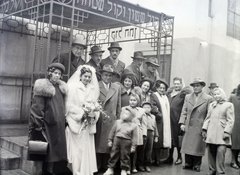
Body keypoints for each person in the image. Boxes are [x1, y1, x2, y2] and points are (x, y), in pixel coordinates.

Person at [28, 63, 68, 175]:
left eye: (59, 74)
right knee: (41, 153)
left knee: (53, 155)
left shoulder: (60, 88)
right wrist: (38, 125)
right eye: (55, 73)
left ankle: (49, 172)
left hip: (57, 127)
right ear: (50, 73)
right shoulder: (43, 87)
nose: (57, 76)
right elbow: (37, 108)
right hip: (45, 126)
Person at [65, 65, 100, 175]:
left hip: (88, 124)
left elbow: (95, 103)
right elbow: (68, 105)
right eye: (85, 76)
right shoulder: (73, 87)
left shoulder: (93, 88)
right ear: (80, 76)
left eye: (89, 77)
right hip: (76, 122)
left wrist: (94, 113)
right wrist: (81, 113)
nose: (87, 79)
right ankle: (76, 171)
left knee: (86, 148)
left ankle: (86, 171)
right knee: (77, 149)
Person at [179, 77, 212, 172]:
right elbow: (184, 111)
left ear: (202, 86)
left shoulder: (208, 98)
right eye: (194, 86)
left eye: (198, 85)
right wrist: (182, 122)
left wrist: (205, 127)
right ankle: (188, 163)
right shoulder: (188, 97)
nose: (195, 88)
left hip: (200, 125)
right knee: (188, 144)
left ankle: (197, 164)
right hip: (189, 124)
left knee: (198, 145)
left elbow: (209, 114)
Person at [202, 88, 235, 175]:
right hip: (211, 132)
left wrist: (227, 132)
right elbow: (207, 118)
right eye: (214, 94)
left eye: (218, 94)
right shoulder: (212, 105)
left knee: (221, 152)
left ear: (222, 94)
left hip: (222, 133)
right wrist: (204, 129)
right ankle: (212, 170)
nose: (216, 96)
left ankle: (220, 172)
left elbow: (230, 120)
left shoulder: (229, 105)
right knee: (211, 152)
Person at [95, 64, 122, 171]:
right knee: (98, 143)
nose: (108, 77)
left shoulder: (117, 87)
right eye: (105, 75)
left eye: (110, 76)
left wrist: (119, 120)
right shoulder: (96, 86)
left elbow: (118, 105)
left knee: (109, 143)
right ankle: (98, 165)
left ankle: (108, 166)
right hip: (100, 119)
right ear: (101, 75)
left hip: (112, 119)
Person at [165, 77, 192, 165]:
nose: (176, 85)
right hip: (169, 119)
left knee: (178, 139)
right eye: (175, 84)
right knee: (171, 138)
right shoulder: (170, 93)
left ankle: (179, 157)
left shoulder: (183, 94)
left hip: (177, 119)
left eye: (178, 84)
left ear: (181, 84)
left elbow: (185, 108)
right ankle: (170, 157)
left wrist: (182, 121)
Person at [103, 107, 138, 175]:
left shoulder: (133, 125)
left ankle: (124, 169)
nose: (124, 115)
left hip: (126, 141)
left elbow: (135, 137)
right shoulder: (118, 122)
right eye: (124, 113)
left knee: (125, 156)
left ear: (131, 116)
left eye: (127, 114)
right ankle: (110, 168)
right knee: (113, 154)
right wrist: (109, 140)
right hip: (117, 140)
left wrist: (133, 146)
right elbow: (112, 132)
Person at [151, 79, 171, 166]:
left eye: (163, 88)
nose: (162, 89)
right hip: (158, 120)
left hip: (165, 121)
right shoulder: (154, 96)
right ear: (157, 88)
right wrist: (159, 115)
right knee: (157, 139)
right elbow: (153, 106)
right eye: (160, 88)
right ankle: (156, 159)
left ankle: (158, 158)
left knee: (162, 139)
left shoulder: (165, 97)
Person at [137, 101, 158, 173]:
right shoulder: (141, 116)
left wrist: (156, 136)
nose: (146, 109)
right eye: (145, 107)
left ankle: (147, 164)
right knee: (141, 149)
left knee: (149, 150)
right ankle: (140, 164)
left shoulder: (153, 117)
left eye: (148, 107)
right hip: (143, 134)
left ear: (151, 109)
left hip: (151, 133)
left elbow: (155, 127)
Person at [229, 84, 240, 169]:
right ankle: (233, 160)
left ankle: (237, 160)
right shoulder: (233, 97)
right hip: (235, 123)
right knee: (235, 143)